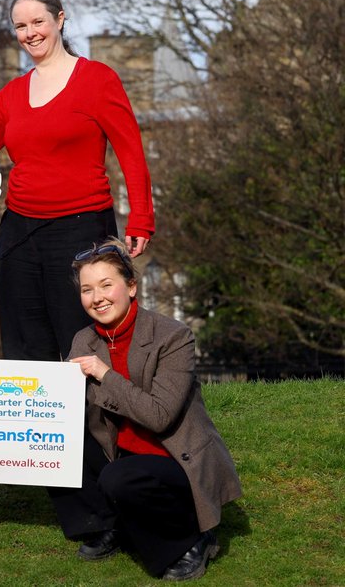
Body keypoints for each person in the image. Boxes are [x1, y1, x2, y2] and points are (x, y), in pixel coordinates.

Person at [0, 0, 154, 360]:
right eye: (20, 26)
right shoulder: (12, 94)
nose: (29, 33)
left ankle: (91, 420)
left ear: (60, 19)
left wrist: (141, 220)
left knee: (80, 344)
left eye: (38, 22)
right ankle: (28, 420)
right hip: (20, 234)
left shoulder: (97, 80)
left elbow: (131, 152)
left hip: (82, 230)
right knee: (24, 346)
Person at [53, 238, 242, 581]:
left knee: (119, 478)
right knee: (60, 439)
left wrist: (103, 373)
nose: (97, 298)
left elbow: (159, 416)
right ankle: (115, 524)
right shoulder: (84, 340)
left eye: (106, 285)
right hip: (122, 455)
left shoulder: (173, 336)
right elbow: (51, 411)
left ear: (131, 286)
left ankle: (192, 540)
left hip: (176, 461)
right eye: (86, 290)